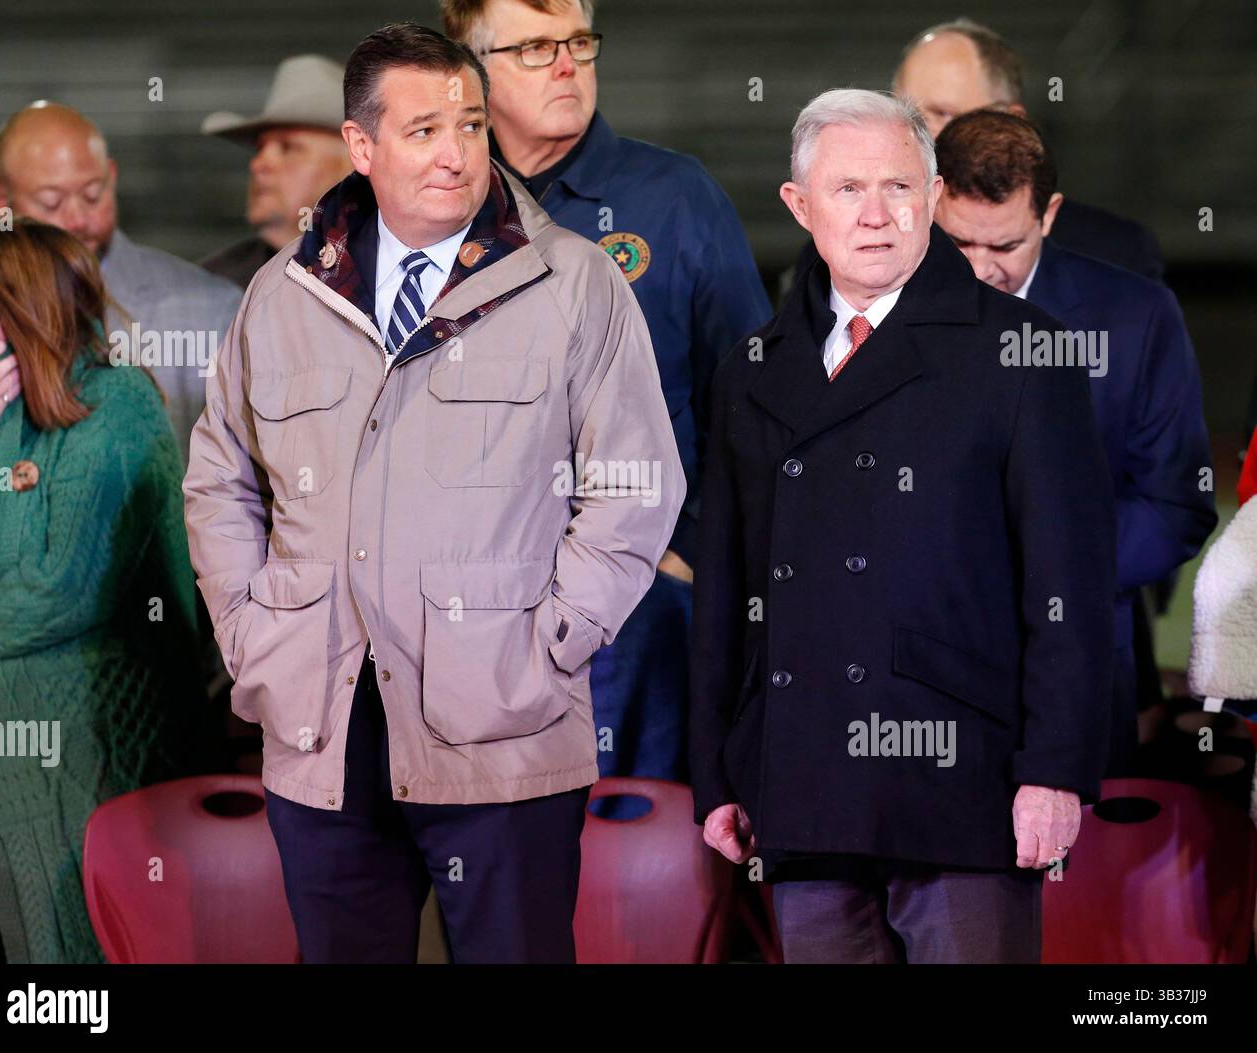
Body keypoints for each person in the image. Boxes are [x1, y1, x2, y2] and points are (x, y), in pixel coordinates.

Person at [183, 23, 682, 964]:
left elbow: (635, 482)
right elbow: (219, 481)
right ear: (360, 146)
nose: (456, 152)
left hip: (506, 730)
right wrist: (252, 632)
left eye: (470, 124)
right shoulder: (282, 296)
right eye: (423, 130)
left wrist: (550, 644)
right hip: (322, 730)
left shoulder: (574, 283)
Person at [689, 89, 1115, 964]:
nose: (876, 215)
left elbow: (1069, 587)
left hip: (964, 784)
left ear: (933, 196)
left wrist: (1055, 771)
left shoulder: (1025, 352)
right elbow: (723, 589)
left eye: (898, 187)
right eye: (848, 189)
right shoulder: (752, 368)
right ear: (800, 205)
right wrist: (716, 771)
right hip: (800, 779)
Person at [442, 0, 771, 794]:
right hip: (467, 614)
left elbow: (758, 400)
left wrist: (689, 555)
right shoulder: (430, 205)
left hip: (640, 609)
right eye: (535, 47)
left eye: (579, 41)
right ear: (471, 73)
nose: (567, 64)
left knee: (637, 854)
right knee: (488, 855)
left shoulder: (676, 197)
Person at [932, 110, 1216, 775]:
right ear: (929, 204)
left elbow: (1175, 505)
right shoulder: (867, 308)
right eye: (958, 242)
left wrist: (1039, 570)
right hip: (911, 676)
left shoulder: (1137, 318)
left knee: (1078, 846)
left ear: (1049, 215)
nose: (979, 270)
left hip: (1076, 667)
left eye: (1005, 247)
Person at [0, 215, 208, 963]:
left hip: (87, 748)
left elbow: (68, 586)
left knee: (73, 959)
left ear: (33, 315)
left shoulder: (116, 405)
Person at [784, 18, 1164, 296]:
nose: (917, 134)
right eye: (906, 113)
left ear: (1012, 119)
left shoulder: (1117, 256)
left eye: (944, 113)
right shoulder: (842, 251)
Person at [0, 102, 241, 463]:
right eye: (51, 202)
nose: (77, 219)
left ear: (112, 176)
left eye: (93, 194)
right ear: (2, 202)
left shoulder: (208, 309)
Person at [200, 54, 353, 290]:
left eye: (288, 148)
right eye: (259, 148)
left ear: (353, 168)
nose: (258, 164)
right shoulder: (208, 290)